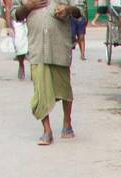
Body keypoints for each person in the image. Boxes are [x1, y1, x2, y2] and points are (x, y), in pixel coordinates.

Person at [12, 0, 82, 144]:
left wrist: (67, 9)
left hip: (60, 46)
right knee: (40, 90)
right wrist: (28, 7)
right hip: (37, 46)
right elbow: (15, 14)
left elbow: (80, 11)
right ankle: (47, 131)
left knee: (64, 88)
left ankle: (67, 122)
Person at [5, 10, 28, 80]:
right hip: (18, 20)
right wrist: (9, 26)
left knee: (34, 46)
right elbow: (8, 8)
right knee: (19, 46)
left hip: (32, 18)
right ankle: (21, 64)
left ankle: (33, 68)